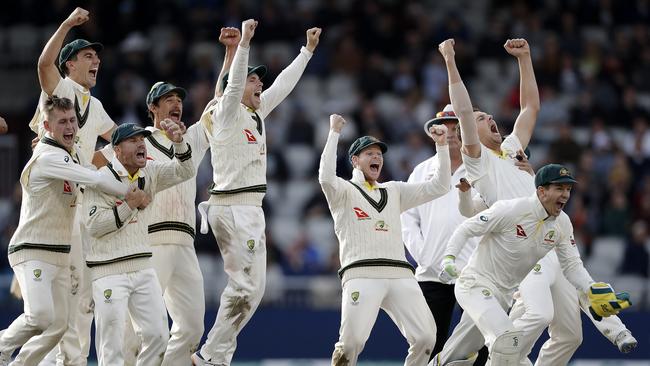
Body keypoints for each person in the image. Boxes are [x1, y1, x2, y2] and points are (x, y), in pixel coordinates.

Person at [433, 38, 636, 365]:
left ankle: (611, 330)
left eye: (486, 116)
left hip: (549, 236)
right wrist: (450, 60)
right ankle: (504, 357)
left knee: (571, 334)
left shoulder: (513, 148)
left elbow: (530, 108)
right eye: (482, 118)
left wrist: (525, 58)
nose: (488, 119)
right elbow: (463, 113)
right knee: (537, 314)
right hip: (518, 242)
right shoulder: (478, 160)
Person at [192, 19, 321, 365]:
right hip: (233, 205)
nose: (259, 82)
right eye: (253, 78)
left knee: (254, 290)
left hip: (250, 208)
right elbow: (231, 87)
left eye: (258, 78)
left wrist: (306, 52)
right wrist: (244, 43)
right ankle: (208, 357)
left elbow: (283, 85)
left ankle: (216, 356)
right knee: (245, 287)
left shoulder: (256, 112)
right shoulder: (226, 111)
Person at [439, 164, 631, 365]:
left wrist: (591, 288)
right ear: (541, 191)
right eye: (559, 188)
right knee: (507, 341)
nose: (565, 195)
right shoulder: (513, 209)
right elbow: (466, 228)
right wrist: (449, 258)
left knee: (459, 354)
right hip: (475, 285)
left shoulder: (562, 223)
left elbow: (572, 266)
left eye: (568, 189)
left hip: (503, 297)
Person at [0, 96, 128, 366]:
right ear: (46, 126)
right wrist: (131, 192)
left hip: (59, 254)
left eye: (72, 121)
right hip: (32, 249)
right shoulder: (49, 157)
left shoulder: (67, 157)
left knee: (58, 327)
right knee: (41, 317)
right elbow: (94, 178)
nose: (69, 126)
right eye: (62, 122)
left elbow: (90, 168)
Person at [321, 114, 450, 365]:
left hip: (400, 274)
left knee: (426, 337)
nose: (377, 157)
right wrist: (334, 132)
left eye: (379, 154)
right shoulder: (344, 191)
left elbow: (440, 186)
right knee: (350, 344)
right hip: (361, 272)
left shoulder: (394, 190)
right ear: (355, 161)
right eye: (369, 153)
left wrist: (442, 146)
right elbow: (325, 178)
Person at [30, 7, 118, 365]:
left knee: (82, 294)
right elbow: (42, 65)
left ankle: (75, 360)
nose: (95, 61)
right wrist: (66, 24)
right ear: (70, 65)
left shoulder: (94, 105)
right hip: (51, 202)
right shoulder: (61, 89)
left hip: (80, 205)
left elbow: (114, 145)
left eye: (97, 56)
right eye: (87, 56)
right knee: (52, 294)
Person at [83, 122, 194, 366]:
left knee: (158, 337)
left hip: (144, 267)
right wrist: (129, 205)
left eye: (142, 139)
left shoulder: (150, 172)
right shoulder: (100, 179)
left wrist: (179, 143)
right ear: (117, 150)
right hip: (108, 271)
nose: (141, 144)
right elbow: (94, 226)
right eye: (133, 140)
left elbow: (185, 172)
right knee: (111, 346)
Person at [401, 104, 487, 363]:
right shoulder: (421, 170)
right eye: (444, 127)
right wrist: (424, 256)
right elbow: (407, 218)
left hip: (474, 270)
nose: (450, 133)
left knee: (479, 342)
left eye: (455, 127)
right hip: (432, 272)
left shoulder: (481, 169)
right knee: (428, 341)